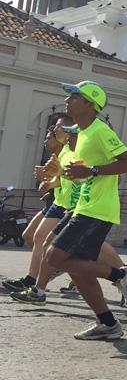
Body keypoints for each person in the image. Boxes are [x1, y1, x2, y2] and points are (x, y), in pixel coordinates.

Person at [20, 82, 127, 339]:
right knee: (75, 266)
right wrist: (58, 176)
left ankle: (121, 274)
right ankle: (108, 323)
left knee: (54, 256)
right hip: (83, 207)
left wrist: (92, 171)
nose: (68, 99)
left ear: (89, 103)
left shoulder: (100, 130)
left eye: (74, 96)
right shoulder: (83, 134)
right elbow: (82, 175)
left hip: (97, 210)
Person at [3, 116, 76, 294]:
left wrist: (48, 181)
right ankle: (48, 271)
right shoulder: (61, 152)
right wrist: (47, 182)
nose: (46, 139)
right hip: (57, 202)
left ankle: (34, 281)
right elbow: (60, 179)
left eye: (51, 133)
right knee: (31, 236)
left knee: (43, 239)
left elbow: (71, 178)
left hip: (68, 204)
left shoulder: (69, 150)